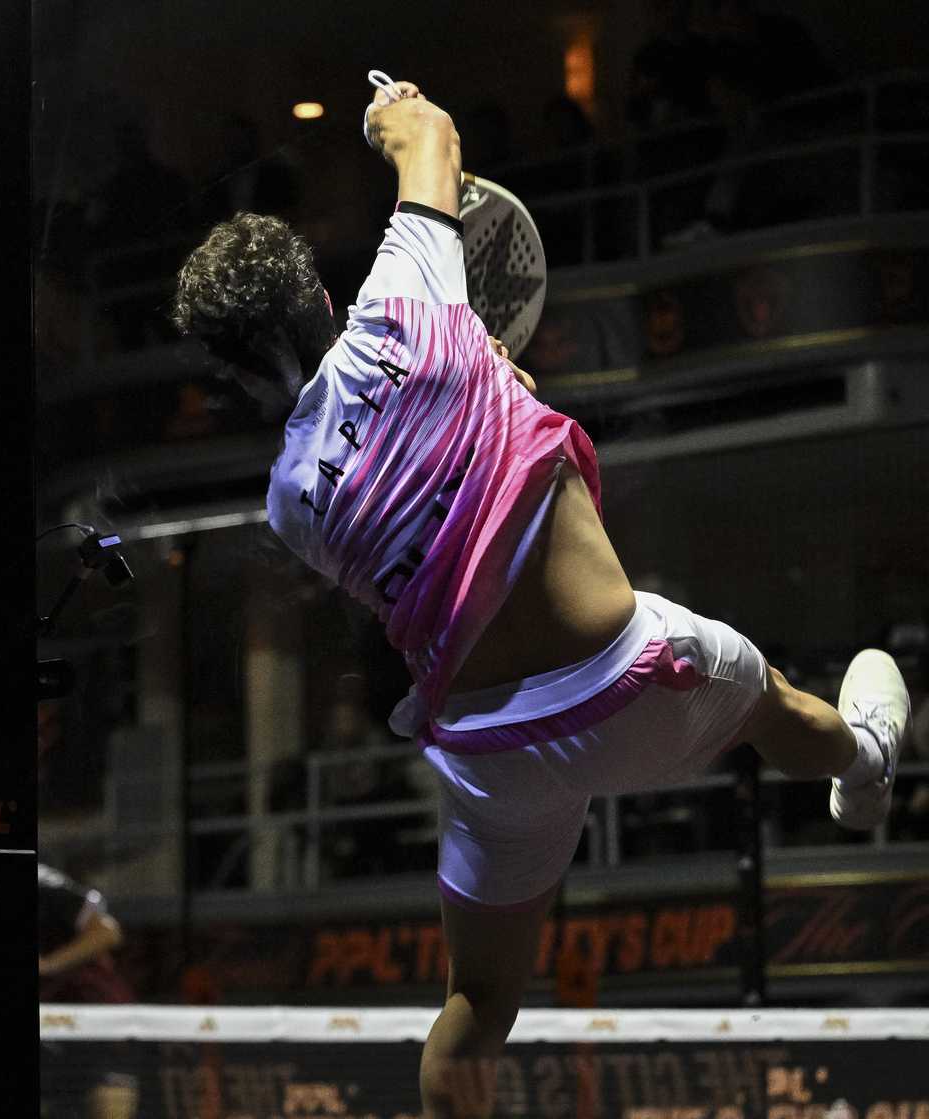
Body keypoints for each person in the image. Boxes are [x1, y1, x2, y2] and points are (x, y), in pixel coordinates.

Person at [169, 79, 909, 1119]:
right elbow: (429, 132)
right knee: (773, 703)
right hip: (629, 680)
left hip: (491, 758)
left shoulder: (292, 506)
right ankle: (866, 768)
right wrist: (389, 108)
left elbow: (421, 509)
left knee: (477, 1004)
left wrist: (486, 383)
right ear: (323, 299)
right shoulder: (407, 301)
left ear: (230, 384)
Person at [38, 862, 139, 1119]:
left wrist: (47, 965)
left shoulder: (45, 884)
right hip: (49, 1024)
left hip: (94, 1019)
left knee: (109, 1103)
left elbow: (107, 932)